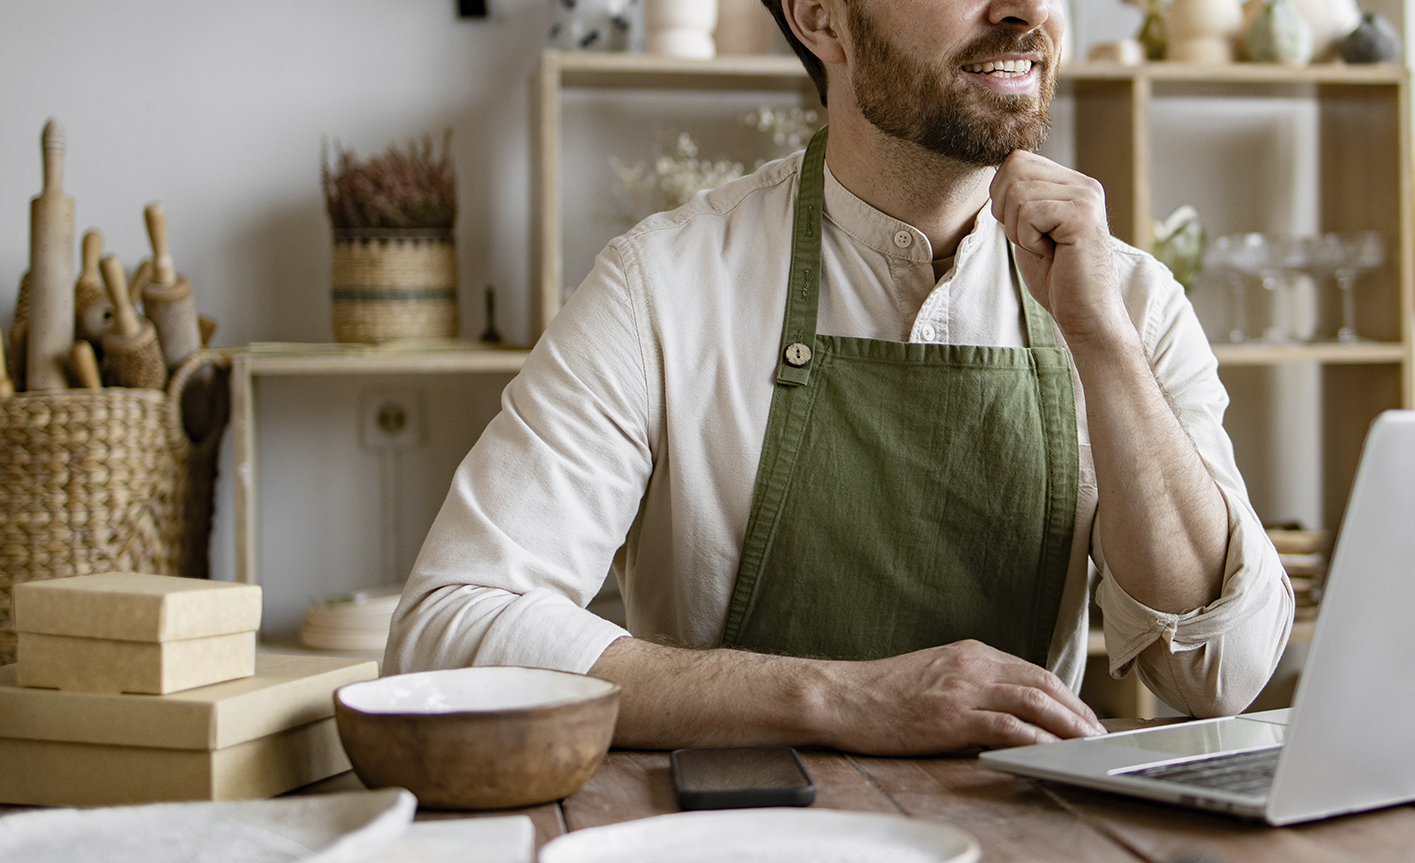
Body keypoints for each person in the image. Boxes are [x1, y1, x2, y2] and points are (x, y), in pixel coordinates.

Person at [387, 0, 1292, 754]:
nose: (1025, 8)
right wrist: (835, 698)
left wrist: (1103, 342)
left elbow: (1222, 673)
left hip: (1028, 856)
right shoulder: (660, 285)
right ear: (821, 16)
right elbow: (446, 637)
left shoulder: (1126, 298)